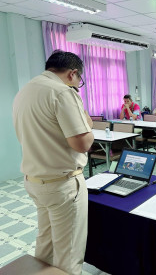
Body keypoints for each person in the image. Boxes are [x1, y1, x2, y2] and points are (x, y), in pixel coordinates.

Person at [12, 50, 94, 275]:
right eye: (80, 81)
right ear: (73, 74)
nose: (78, 85)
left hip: (35, 180)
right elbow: (83, 143)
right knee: (68, 251)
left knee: (46, 242)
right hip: (62, 184)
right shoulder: (62, 92)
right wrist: (86, 118)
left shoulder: (26, 90)